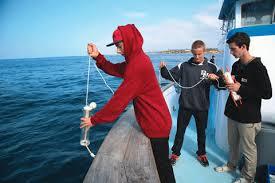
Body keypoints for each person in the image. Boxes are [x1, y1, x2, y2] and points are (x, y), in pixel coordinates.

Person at [80, 24, 175, 183]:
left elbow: (118, 102)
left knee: (163, 169)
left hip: (156, 125)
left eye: (119, 45)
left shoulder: (137, 65)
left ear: (130, 41)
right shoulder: (136, 59)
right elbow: (114, 69)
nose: (117, 50)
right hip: (156, 122)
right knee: (162, 165)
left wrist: (93, 120)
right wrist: (98, 56)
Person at [214, 32, 272, 183]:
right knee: (232, 144)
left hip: (248, 118)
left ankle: (247, 177)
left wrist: (241, 88)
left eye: (233, 49)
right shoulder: (236, 65)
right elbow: (235, 85)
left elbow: (267, 93)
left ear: (244, 47)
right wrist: (229, 82)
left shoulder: (258, 68)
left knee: (248, 150)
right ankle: (231, 165)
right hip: (233, 114)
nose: (232, 52)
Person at [160, 40, 224, 167]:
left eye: (199, 54)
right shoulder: (183, 66)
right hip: (185, 106)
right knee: (180, 131)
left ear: (204, 52)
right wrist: (163, 69)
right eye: (194, 54)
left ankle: (201, 154)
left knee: (201, 132)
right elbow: (170, 76)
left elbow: (221, 86)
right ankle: (175, 153)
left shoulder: (212, 67)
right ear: (192, 52)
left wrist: (219, 78)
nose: (197, 57)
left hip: (202, 107)